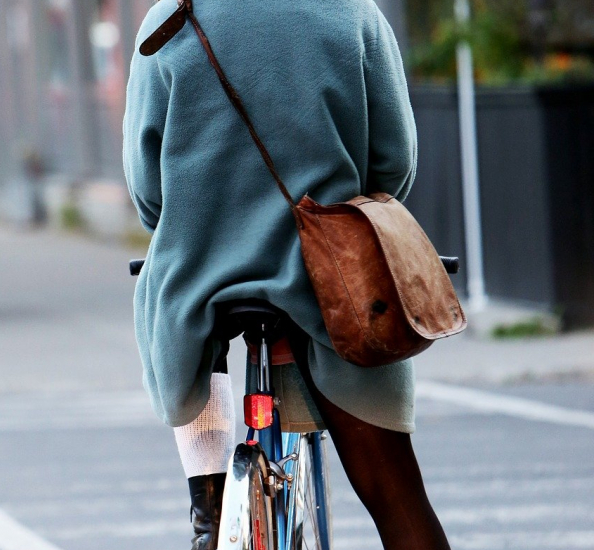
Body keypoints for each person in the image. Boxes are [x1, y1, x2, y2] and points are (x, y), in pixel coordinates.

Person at [121, 0, 452, 549]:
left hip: (200, 281)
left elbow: (149, 197)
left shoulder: (168, 20)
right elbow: (395, 164)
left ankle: (208, 506)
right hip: (329, 285)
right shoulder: (352, 14)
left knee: (179, 320)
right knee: (397, 500)